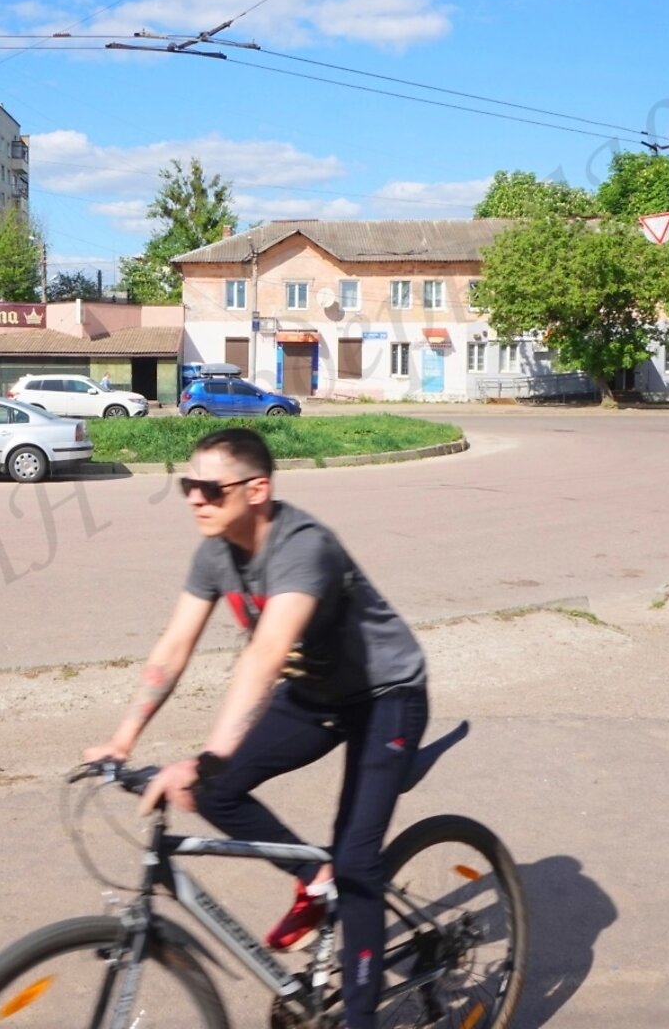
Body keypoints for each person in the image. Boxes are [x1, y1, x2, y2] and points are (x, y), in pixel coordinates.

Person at [85, 428, 428, 1029]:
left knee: (357, 866)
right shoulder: (215, 550)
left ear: (257, 489)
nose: (195, 499)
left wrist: (208, 755)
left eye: (210, 489)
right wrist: (123, 739)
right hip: (316, 694)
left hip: (386, 696)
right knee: (215, 792)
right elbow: (175, 646)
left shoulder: (303, 546)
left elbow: (266, 654)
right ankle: (311, 877)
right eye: (188, 486)